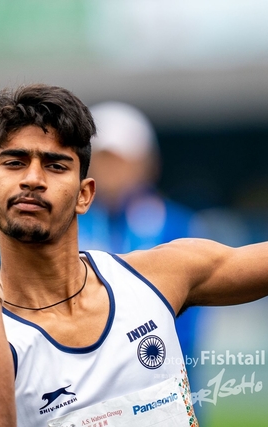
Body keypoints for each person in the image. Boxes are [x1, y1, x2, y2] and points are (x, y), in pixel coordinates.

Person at [0, 84, 268, 426]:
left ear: (84, 194)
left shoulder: (160, 276)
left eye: (55, 165)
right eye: (14, 162)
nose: (33, 179)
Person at [78, 101, 204, 387]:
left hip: (163, 378)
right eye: (103, 159)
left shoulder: (179, 226)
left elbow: (187, 324)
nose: (111, 170)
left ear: (148, 164)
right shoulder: (65, 226)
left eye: (121, 160)